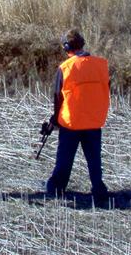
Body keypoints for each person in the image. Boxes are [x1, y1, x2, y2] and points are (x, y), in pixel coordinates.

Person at [45, 29, 110, 203]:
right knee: (94, 160)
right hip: (94, 121)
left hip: (71, 122)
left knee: (64, 160)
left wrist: (55, 119)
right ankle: (99, 190)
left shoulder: (65, 68)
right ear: (82, 44)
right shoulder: (101, 65)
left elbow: (57, 97)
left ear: (67, 47)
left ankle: (56, 188)